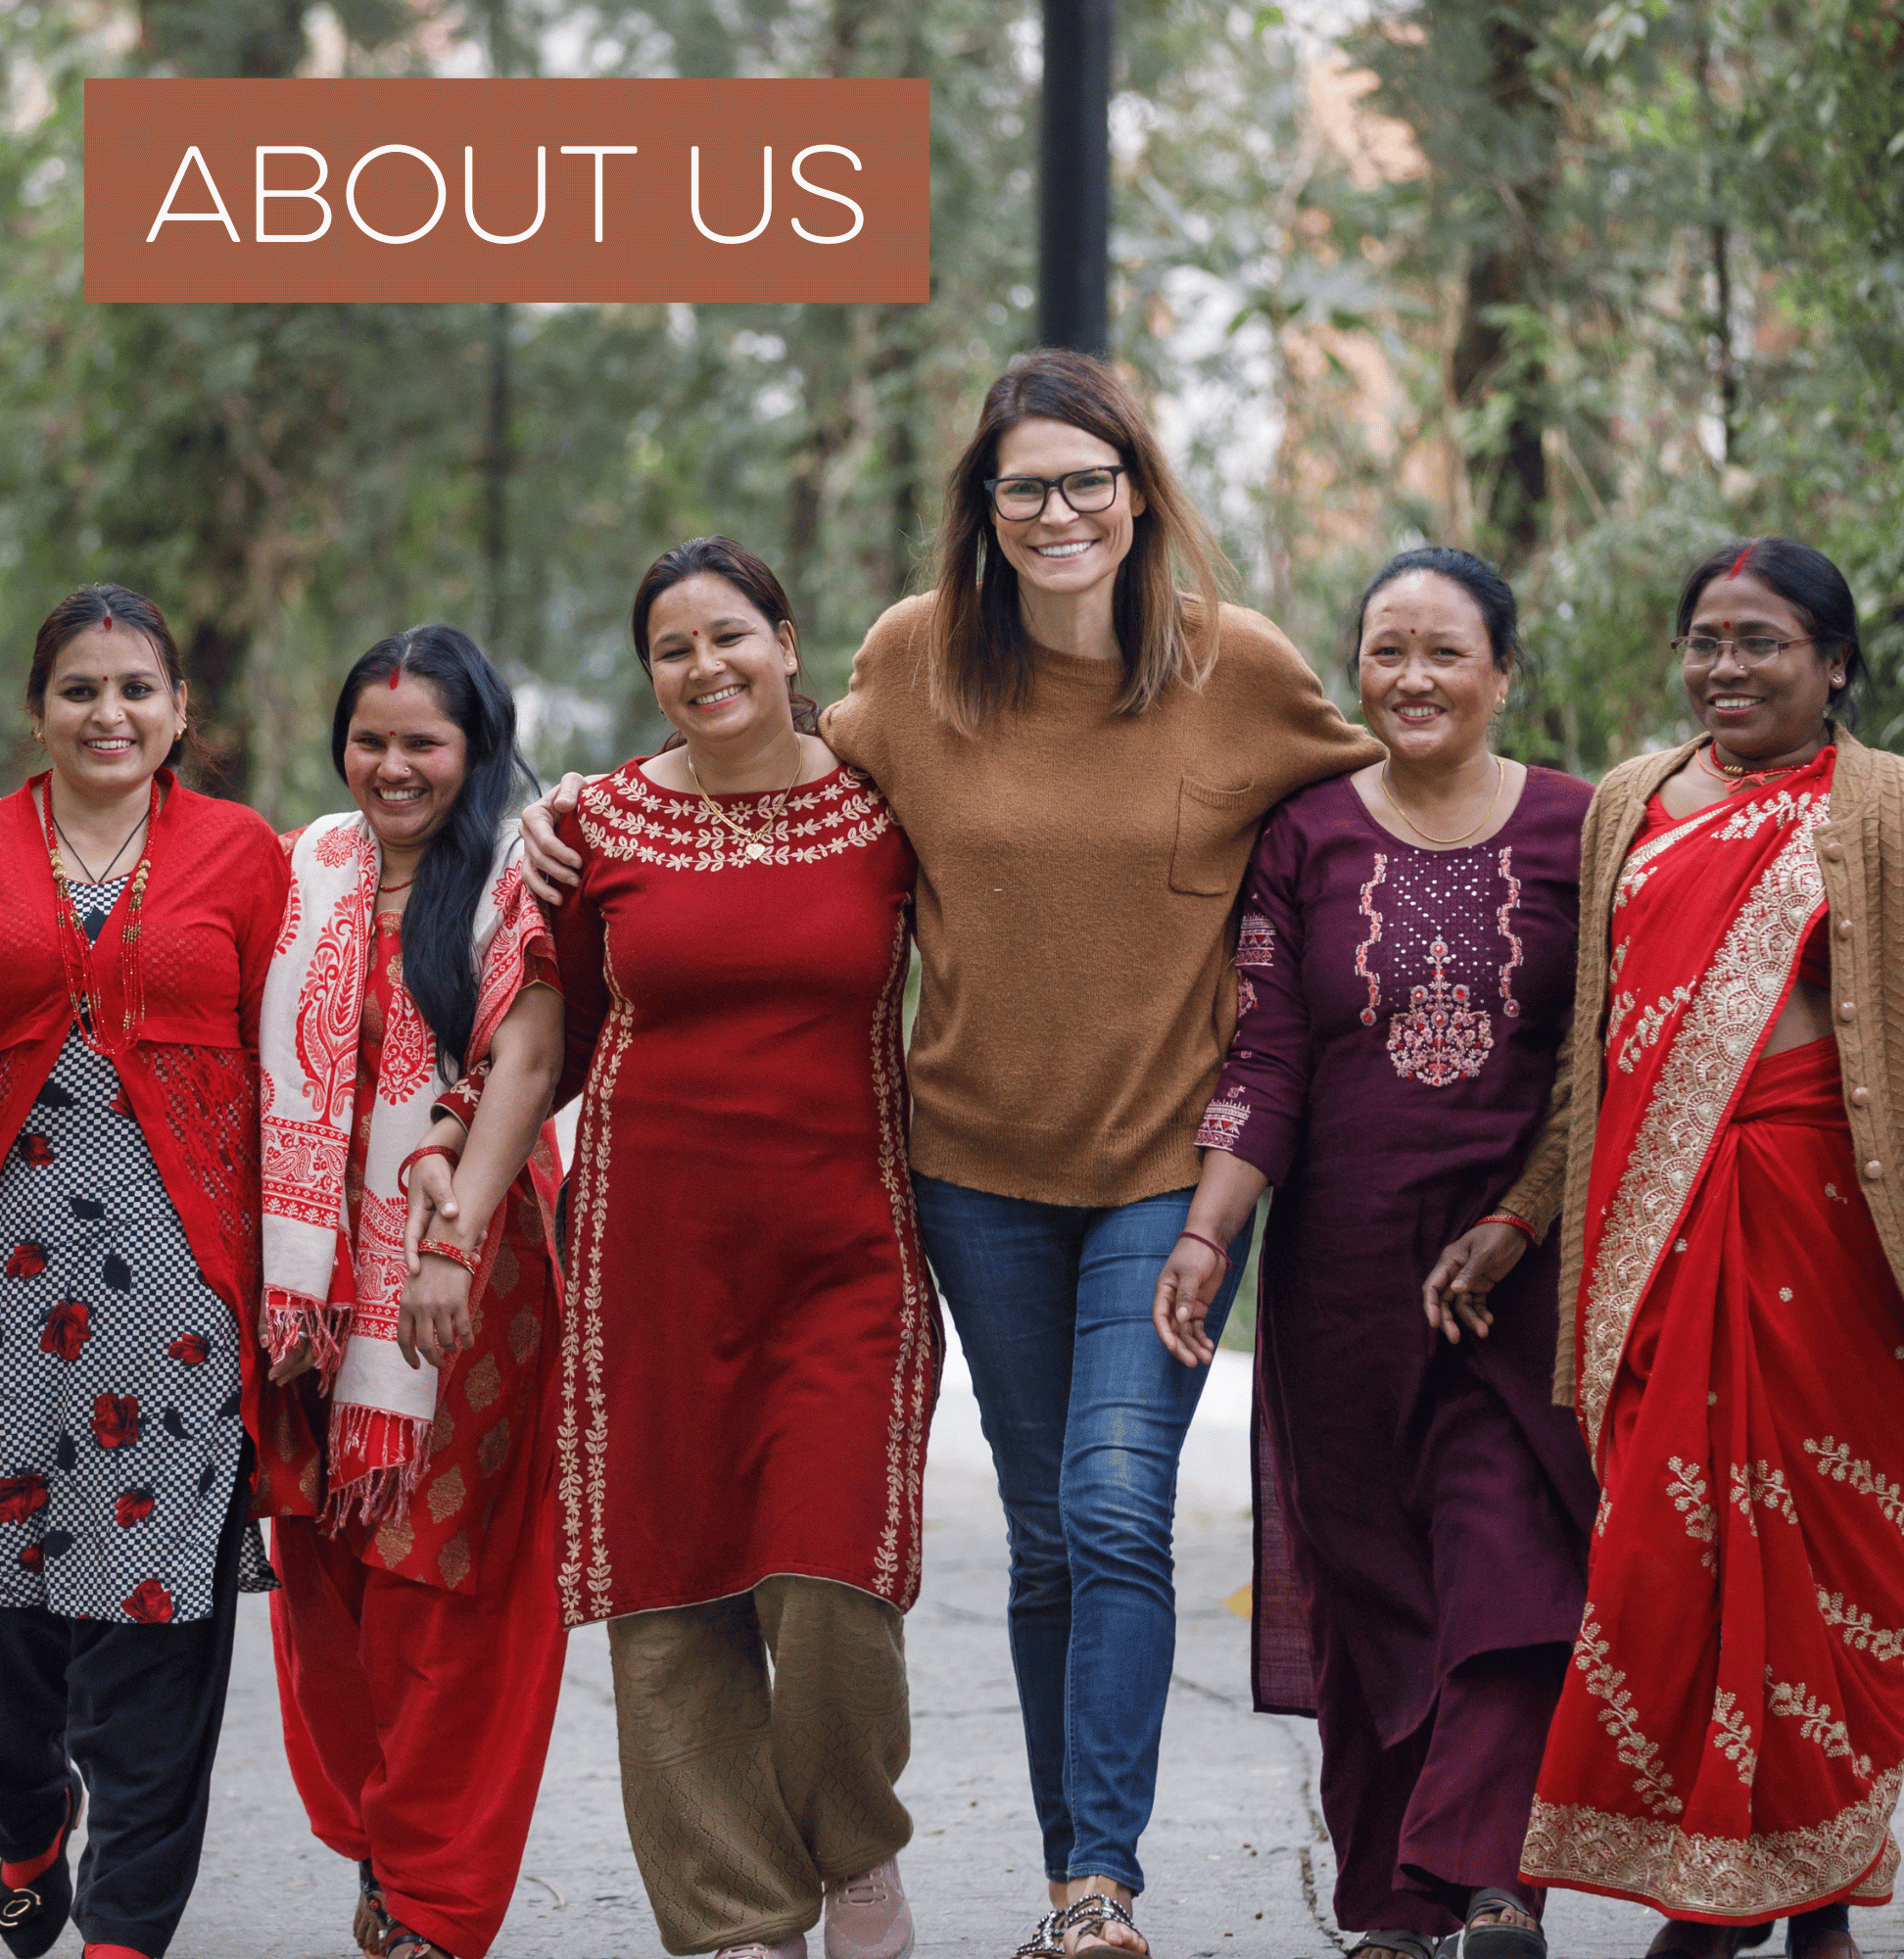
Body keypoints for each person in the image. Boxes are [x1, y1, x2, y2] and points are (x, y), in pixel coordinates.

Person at [521, 349, 1383, 1958]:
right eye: (1022, 488)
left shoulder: (1239, 668)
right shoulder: (918, 663)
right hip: (974, 1168)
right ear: (982, 513)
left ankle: (1097, 1885)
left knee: (1114, 1505)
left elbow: (1377, 807)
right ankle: (1044, 1875)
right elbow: (765, 771)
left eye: (1085, 480)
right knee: (1050, 1534)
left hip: (1166, 1169)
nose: (1057, 513)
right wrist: (581, 809)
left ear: (1138, 493)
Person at [1150, 548, 1598, 1959]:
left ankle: (1494, 1885)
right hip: (1339, 1277)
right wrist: (1208, 1230)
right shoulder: (1306, 836)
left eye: (1445, 652)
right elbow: (1267, 1055)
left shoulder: (1586, 829)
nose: (1411, 678)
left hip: (1518, 1276)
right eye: (1386, 651)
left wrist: (1525, 1215)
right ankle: (1393, 1911)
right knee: (1373, 1583)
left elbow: (1603, 1060)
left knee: (1514, 1560)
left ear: (1503, 673)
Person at [535, 537, 932, 1959]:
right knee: (671, 1584)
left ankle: (853, 1852)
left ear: (787, 643)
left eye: (728, 637)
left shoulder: (891, 811)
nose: (705, 667)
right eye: (673, 649)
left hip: (845, 1254)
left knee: (833, 1576)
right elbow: (547, 1033)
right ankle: (735, 1921)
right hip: (648, 1255)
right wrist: (456, 1161)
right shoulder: (595, 826)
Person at [1516, 538, 1904, 1959]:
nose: (1726, 668)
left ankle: (1813, 1893)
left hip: (1823, 1221)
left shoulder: (1883, 805)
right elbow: (1591, 1052)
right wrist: (1520, 1213)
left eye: (1762, 642)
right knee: (1670, 1553)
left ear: (1835, 664)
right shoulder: (1630, 801)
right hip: (1653, 1228)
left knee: (1827, 1561)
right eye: (1706, 641)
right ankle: (1718, 1887)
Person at [260, 625, 567, 1959]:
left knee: (442, 1578)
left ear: (475, 747)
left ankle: (436, 1895)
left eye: (422, 743)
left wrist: (449, 1240)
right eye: (370, 740)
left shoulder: (521, 873)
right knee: (326, 1570)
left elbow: (528, 1057)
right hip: (306, 1278)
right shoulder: (303, 867)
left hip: (473, 1271)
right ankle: (382, 1843)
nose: (392, 766)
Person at [0, 585, 289, 1959]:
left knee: (160, 1628)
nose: (107, 713)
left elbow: (303, 1071)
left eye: (135, 689)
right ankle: (23, 1822)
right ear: (37, 711)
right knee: (8, 1619)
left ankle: (125, 1932)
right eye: (80, 689)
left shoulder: (245, 856)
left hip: (180, 1308)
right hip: (7, 1296)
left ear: (179, 711)